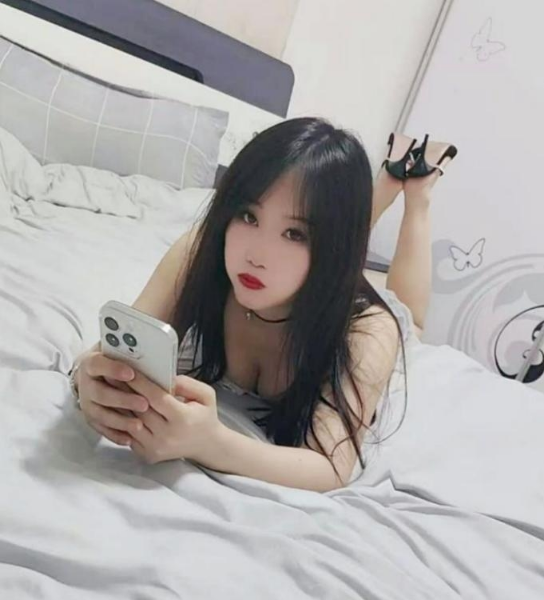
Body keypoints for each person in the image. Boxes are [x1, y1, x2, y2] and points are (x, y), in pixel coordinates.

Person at [68, 118, 456, 492]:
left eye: (294, 234)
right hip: (315, 277)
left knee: (411, 318)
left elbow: (330, 467)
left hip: (349, 306)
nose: (256, 256)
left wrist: (211, 443)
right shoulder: (199, 253)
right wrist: (87, 377)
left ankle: (417, 190)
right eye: (248, 216)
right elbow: (117, 346)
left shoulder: (369, 330)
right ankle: (388, 177)